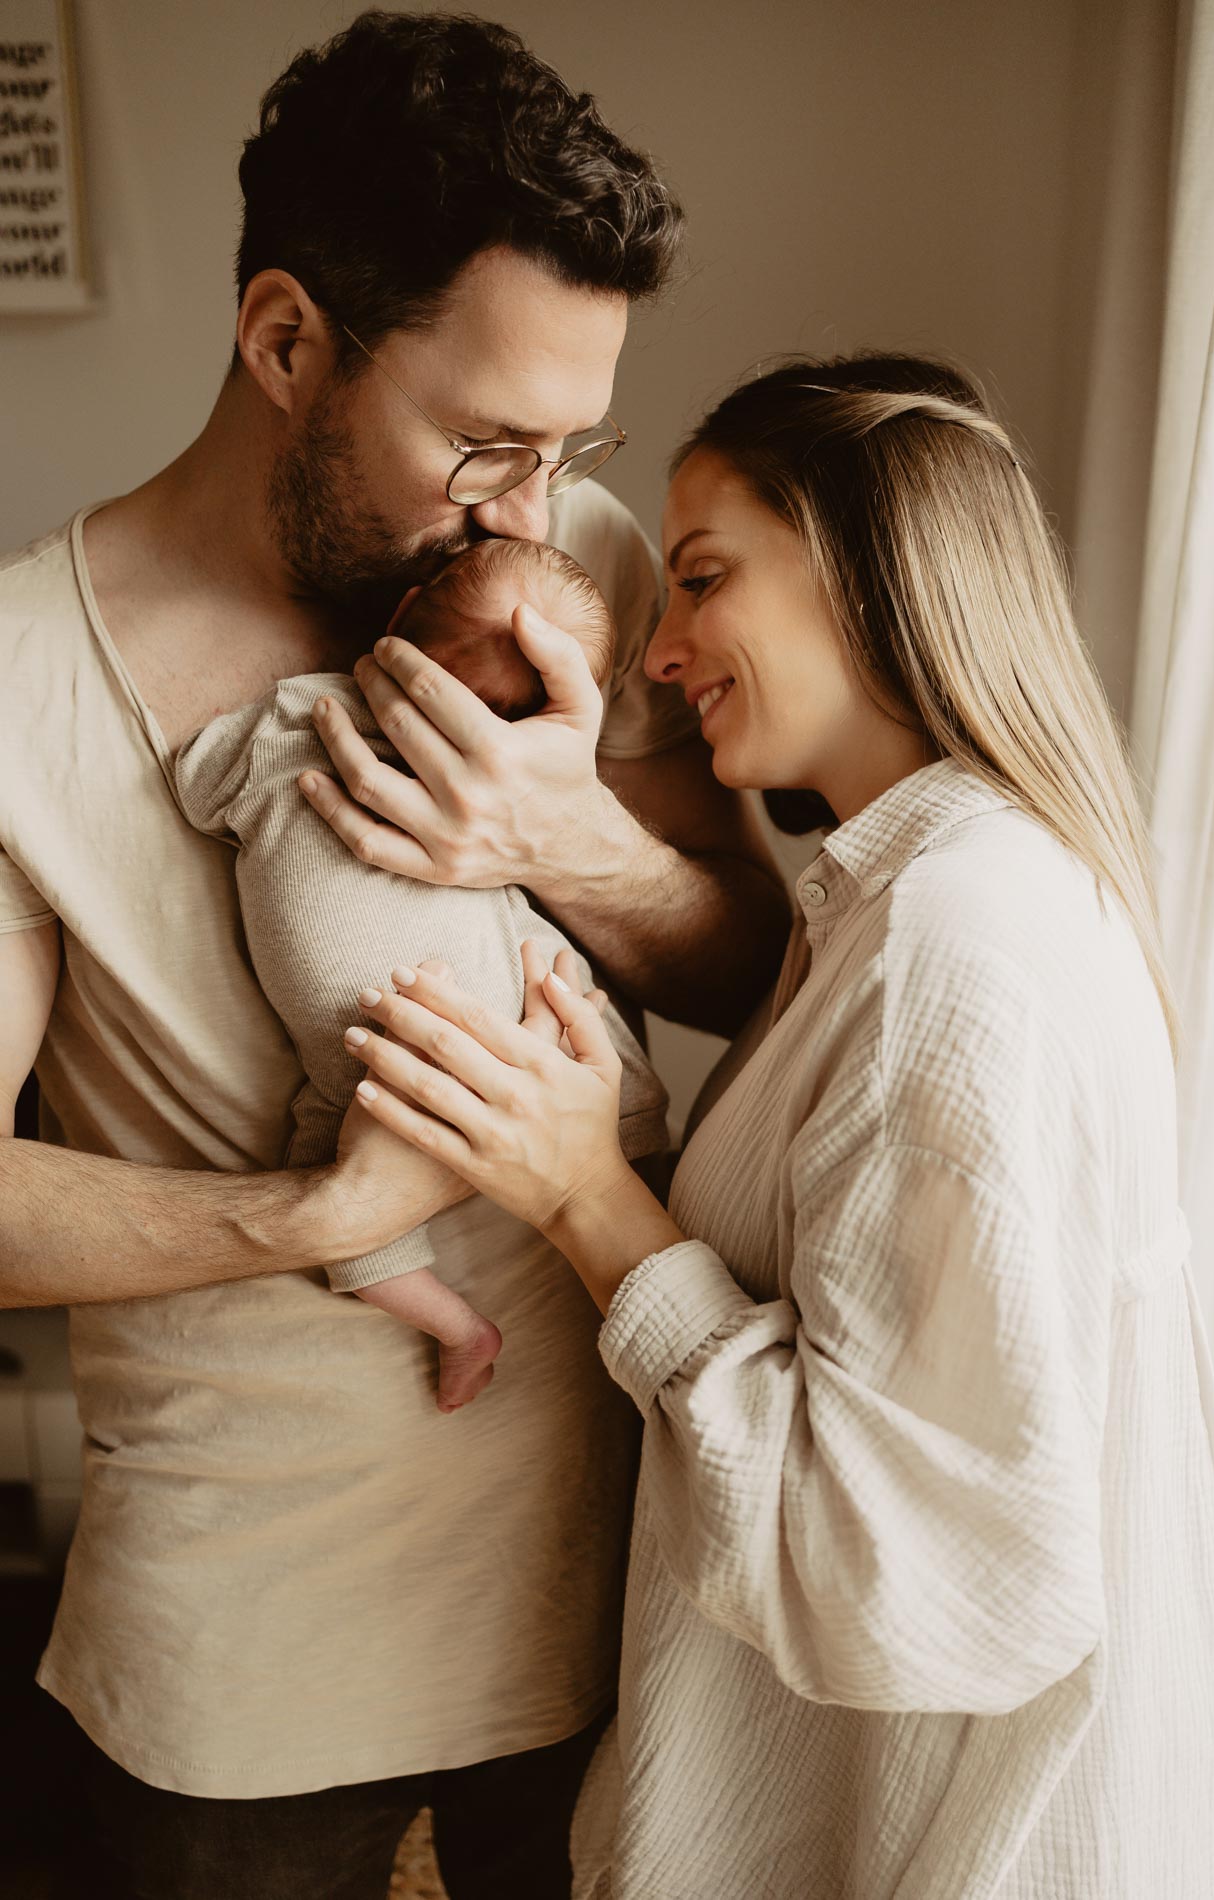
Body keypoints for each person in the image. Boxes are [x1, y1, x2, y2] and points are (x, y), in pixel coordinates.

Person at [0, 13, 789, 1899]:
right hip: (243, 1674)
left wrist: (561, 840)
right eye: (484, 441)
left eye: (567, 445)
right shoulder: (21, 682)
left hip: (625, 1601)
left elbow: (751, 966)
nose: (530, 503)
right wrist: (305, 1221)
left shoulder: (568, 564)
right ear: (286, 341)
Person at [345, 353, 1214, 1899]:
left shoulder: (951, 947)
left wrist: (584, 1199)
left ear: (867, 566)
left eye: (700, 580)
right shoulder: (911, 902)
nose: (661, 651)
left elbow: (913, 1569)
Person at [174, 539, 669, 1414]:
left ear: (401, 622)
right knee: (580, 1035)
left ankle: (463, 1323)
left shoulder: (294, 718)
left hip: (378, 1055)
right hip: (425, 1047)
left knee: (560, 1013)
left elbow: (199, 783)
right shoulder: (334, 725)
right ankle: (477, 1318)